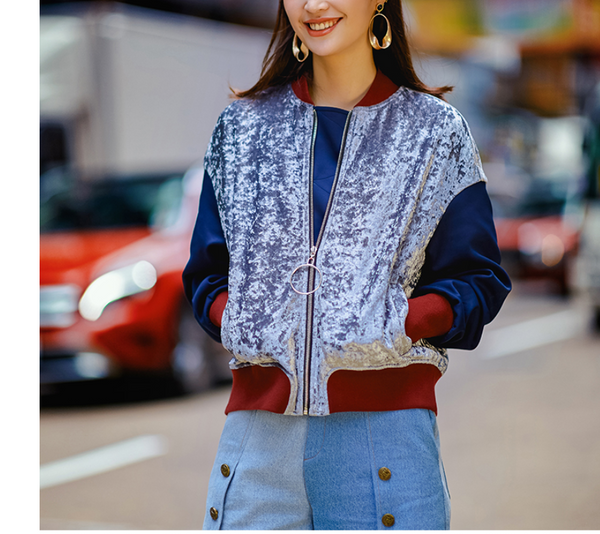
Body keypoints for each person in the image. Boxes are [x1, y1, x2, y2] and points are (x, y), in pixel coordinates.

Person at [183, 0, 511, 529]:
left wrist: (395, 323)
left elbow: (478, 280)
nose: (314, 6)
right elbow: (205, 273)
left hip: (385, 445)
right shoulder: (241, 130)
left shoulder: (434, 132)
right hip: (257, 443)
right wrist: (247, 320)